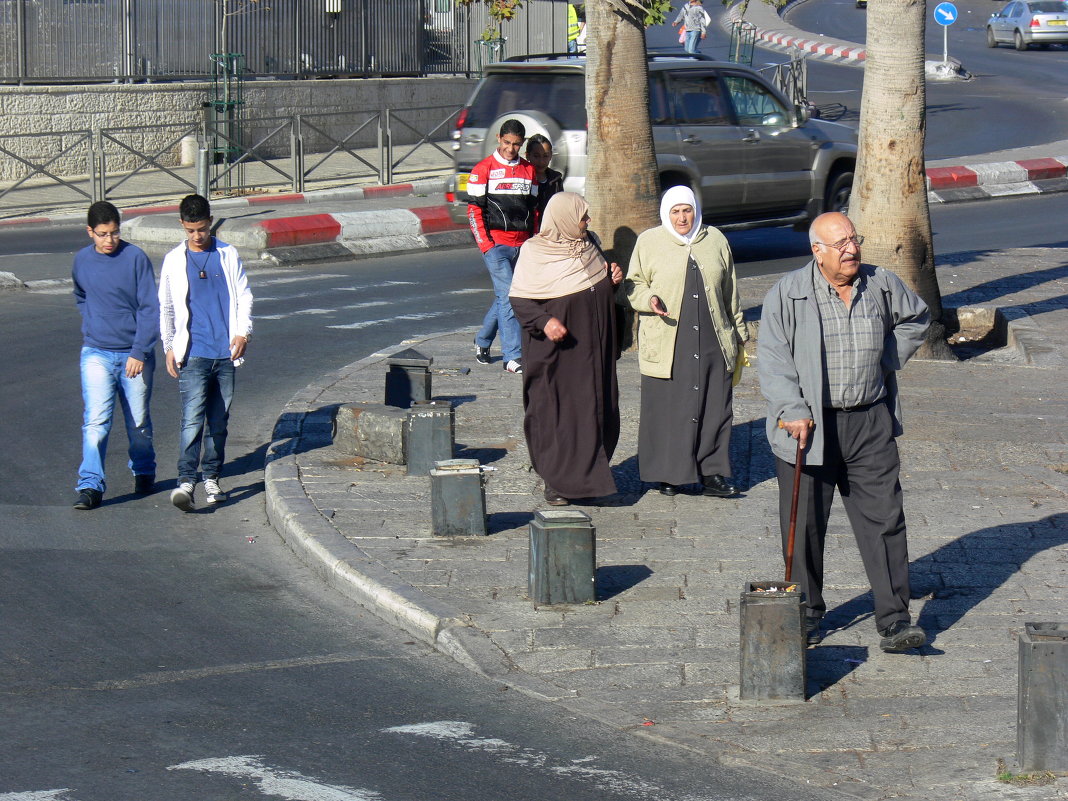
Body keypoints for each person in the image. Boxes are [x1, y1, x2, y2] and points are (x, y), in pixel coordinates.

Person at [757, 211, 930, 653]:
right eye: (841, 244)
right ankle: (807, 613)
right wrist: (792, 408)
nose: (852, 249)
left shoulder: (881, 283)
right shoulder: (788, 293)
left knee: (886, 520)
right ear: (817, 251)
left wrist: (889, 356)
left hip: (870, 419)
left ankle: (895, 619)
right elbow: (774, 359)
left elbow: (917, 318)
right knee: (806, 526)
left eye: (855, 239)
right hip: (809, 425)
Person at [623, 186, 748, 498]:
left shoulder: (715, 240)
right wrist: (647, 298)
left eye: (687, 210)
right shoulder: (649, 242)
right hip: (669, 339)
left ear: (696, 210)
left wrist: (740, 335)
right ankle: (670, 473)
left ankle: (713, 474)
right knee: (669, 406)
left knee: (715, 407)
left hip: (712, 336)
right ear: (667, 213)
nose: (682, 217)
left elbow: (730, 292)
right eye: (676, 211)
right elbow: (631, 284)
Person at [510, 193, 623, 506]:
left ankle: (589, 479)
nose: (587, 223)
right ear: (563, 218)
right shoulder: (535, 252)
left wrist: (611, 281)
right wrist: (544, 322)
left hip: (591, 351)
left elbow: (591, 289)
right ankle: (557, 482)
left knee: (594, 412)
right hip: (556, 356)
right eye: (582, 217)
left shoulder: (588, 245)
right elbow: (520, 300)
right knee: (557, 416)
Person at [158, 194, 254, 512]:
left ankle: (211, 477)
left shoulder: (227, 254)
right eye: (190, 230)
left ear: (210, 223)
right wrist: (169, 346)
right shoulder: (174, 260)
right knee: (191, 420)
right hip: (194, 353)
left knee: (219, 420)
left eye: (201, 229)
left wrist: (243, 331)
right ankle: (187, 480)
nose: (196, 236)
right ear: (182, 226)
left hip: (225, 353)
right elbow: (168, 307)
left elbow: (243, 294)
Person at [72, 201, 159, 510]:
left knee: (138, 425)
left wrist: (139, 351)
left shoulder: (135, 258)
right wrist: (91, 321)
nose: (109, 241)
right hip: (96, 352)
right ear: (90, 232)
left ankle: (144, 469)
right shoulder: (82, 260)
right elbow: (81, 295)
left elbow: (150, 308)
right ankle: (90, 485)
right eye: (102, 234)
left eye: (115, 233)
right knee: (95, 422)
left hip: (133, 356)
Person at [467, 119, 538, 374]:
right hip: (496, 245)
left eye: (516, 144)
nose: (511, 149)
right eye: (507, 143)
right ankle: (512, 356)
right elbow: (474, 210)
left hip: (523, 246)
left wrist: (534, 241)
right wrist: (486, 245)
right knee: (510, 297)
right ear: (499, 138)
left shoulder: (529, 170)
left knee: (505, 297)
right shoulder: (482, 169)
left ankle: (483, 340)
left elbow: (534, 210)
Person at [525, 134, 564, 229]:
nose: (541, 161)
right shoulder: (522, 179)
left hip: (550, 232)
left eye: (545, 156)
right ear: (527, 156)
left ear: (551, 156)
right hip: (528, 232)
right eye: (536, 156)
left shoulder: (556, 180)